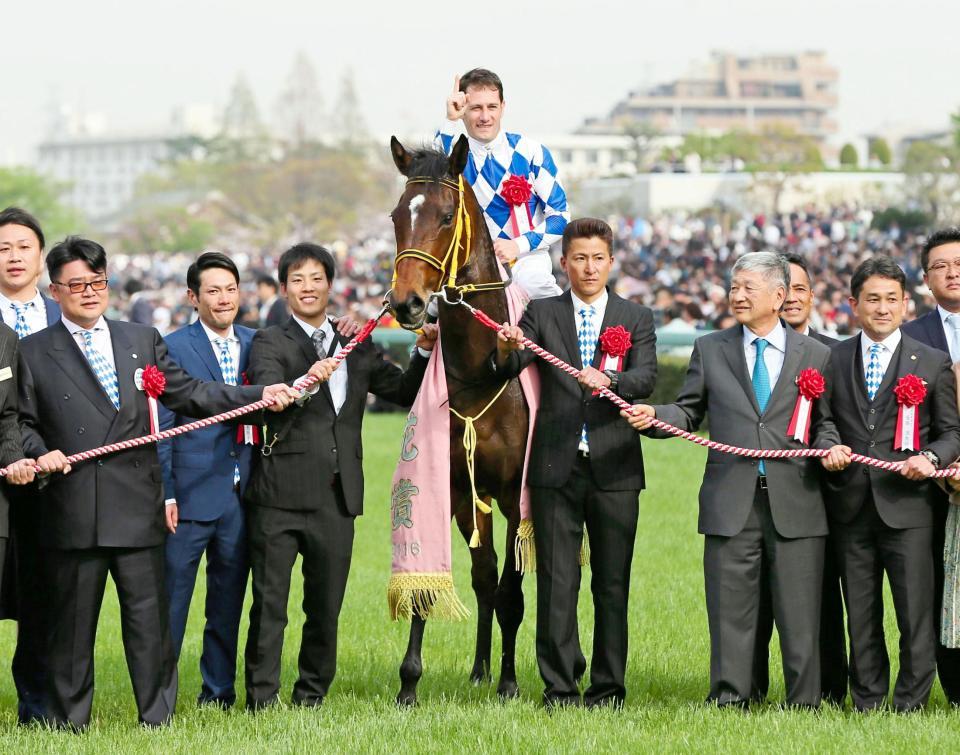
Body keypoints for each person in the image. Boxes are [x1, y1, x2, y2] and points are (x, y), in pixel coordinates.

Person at [17, 236, 300, 729]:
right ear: (55, 290)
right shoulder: (33, 351)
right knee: (73, 627)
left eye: (97, 282)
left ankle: (157, 716)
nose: (89, 292)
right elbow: (18, 421)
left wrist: (258, 394)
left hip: (136, 505)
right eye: (77, 284)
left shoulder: (139, 339)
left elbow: (192, 393)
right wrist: (40, 452)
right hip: (73, 505)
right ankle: (69, 722)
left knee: (149, 625)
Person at [624, 251, 849, 709]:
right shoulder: (711, 348)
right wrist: (654, 416)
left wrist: (831, 447)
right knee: (730, 608)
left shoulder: (818, 355)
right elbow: (688, 411)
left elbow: (824, 423)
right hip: (731, 502)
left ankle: (804, 702)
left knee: (800, 611)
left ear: (779, 295)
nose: (738, 295)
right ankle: (730, 697)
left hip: (798, 500)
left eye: (748, 287)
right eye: (733, 287)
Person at [243, 243, 436, 710]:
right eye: (297, 280)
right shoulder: (270, 342)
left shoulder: (356, 341)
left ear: (331, 284)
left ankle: (312, 693)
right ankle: (261, 698)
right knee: (271, 606)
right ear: (285, 289)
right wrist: (309, 378)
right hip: (279, 496)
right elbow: (272, 395)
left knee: (324, 607)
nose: (308, 287)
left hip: (338, 496)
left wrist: (425, 350)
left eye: (316, 278)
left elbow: (404, 391)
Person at [495, 218, 657, 708]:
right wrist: (505, 348)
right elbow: (506, 368)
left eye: (598, 258)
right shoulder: (541, 314)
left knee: (612, 583)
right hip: (553, 468)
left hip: (616, 468)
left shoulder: (635, 316)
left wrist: (614, 383)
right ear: (563, 263)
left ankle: (608, 688)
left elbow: (647, 376)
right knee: (557, 582)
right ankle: (560, 688)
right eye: (579, 258)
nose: (589, 267)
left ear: (611, 262)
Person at [823, 255, 960, 712]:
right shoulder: (835, 358)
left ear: (906, 303)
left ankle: (910, 702)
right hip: (850, 507)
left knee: (914, 612)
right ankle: (867, 699)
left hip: (910, 509)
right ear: (853, 305)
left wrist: (930, 457)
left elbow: (951, 432)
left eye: (891, 300)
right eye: (872, 299)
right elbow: (823, 421)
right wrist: (829, 447)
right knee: (860, 613)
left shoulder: (933, 362)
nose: (882, 308)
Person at [156, 252, 258, 710]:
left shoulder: (260, 343)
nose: (224, 299)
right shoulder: (171, 346)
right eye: (212, 291)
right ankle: (159, 696)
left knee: (227, 601)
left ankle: (217, 692)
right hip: (190, 495)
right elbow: (160, 425)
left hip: (245, 494)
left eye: (230, 289)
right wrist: (167, 491)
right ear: (193, 297)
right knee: (172, 602)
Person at [749, 252, 848, 706]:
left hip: (821, 497)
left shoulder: (835, 353)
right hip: (756, 496)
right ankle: (749, 689)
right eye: (782, 288)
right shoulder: (744, 346)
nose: (790, 297)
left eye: (800, 289)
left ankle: (827, 690)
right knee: (757, 600)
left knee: (822, 599)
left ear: (809, 296)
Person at [0, 206, 61, 724]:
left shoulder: (66, 315)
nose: (14, 257)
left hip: (54, 481)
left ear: (42, 256)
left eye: (23, 247)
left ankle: (37, 707)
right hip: (1, 479)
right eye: (3, 249)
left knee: (44, 598)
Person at [436, 68, 569, 300]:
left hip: (527, 261)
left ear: (503, 107)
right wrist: (450, 121)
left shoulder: (531, 152)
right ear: (464, 109)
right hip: (469, 263)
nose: (485, 116)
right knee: (433, 306)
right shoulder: (454, 154)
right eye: (476, 108)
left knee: (538, 288)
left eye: (492, 107)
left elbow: (560, 217)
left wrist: (517, 245)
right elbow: (431, 173)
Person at [901, 227, 960, 705]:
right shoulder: (908, 337)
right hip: (934, 485)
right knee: (941, 583)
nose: (952, 271)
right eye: (941, 265)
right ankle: (955, 684)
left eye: (959, 262)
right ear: (925, 279)